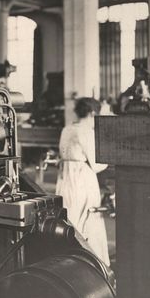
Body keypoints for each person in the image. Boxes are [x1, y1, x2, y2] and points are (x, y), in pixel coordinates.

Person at [56, 97, 109, 266]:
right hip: (82, 179)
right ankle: (92, 263)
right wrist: (109, 159)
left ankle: (69, 261)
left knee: (70, 218)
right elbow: (96, 164)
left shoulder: (67, 129)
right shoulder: (87, 131)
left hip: (65, 177)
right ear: (93, 113)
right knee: (89, 219)